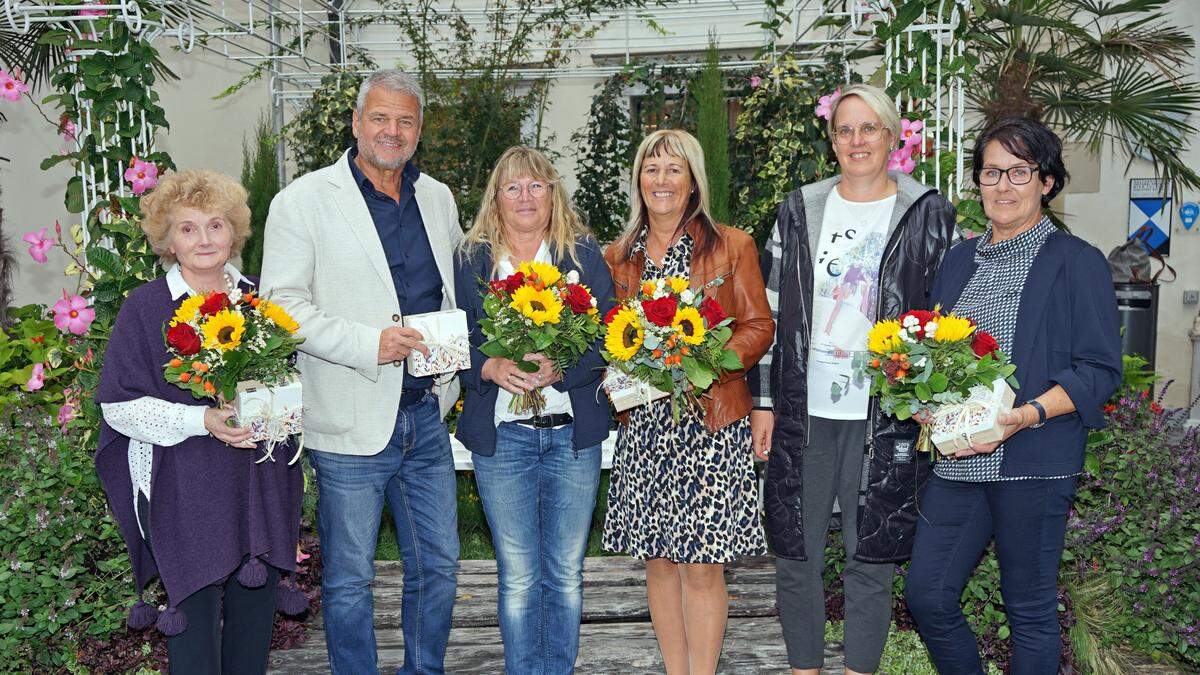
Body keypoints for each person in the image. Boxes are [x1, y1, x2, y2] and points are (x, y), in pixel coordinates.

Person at [747, 83, 958, 675]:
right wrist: (763, 402)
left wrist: (930, 395)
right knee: (795, 549)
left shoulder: (927, 211)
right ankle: (804, 669)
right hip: (804, 410)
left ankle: (858, 669)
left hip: (886, 413)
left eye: (870, 129)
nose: (857, 140)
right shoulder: (801, 207)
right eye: (845, 129)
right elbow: (770, 313)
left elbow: (950, 317)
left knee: (873, 553)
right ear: (832, 139)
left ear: (892, 138)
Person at [260, 69, 463, 674]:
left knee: (440, 565)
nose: (391, 131)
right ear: (355, 123)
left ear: (419, 130)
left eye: (405, 120)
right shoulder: (303, 200)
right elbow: (280, 306)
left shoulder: (438, 198)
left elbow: (451, 293)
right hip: (350, 420)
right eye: (380, 117)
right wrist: (367, 344)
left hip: (425, 415)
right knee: (350, 579)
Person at [904, 117, 1121, 674]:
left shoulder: (1077, 262)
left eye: (1018, 172)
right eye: (990, 172)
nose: (1002, 185)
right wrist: (926, 400)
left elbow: (1099, 372)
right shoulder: (959, 261)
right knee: (927, 597)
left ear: (1046, 182)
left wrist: (1025, 415)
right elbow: (939, 358)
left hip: (1033, 460)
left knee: (1029, 612)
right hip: (961, 466)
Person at [94, 169, 305, 675]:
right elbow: (118, 406)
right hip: (183, 486)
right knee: (193, 642)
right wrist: (201, 419)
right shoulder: (145, 309)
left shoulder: (260, 301)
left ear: (235, 231)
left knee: (252, 636)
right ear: (167, 239)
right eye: (188, 228)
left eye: (215, 224)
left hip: (258, 481)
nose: (205, 239)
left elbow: (293, 381)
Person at [602, 129, 774, 675]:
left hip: (711, 419)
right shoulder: (617, 257)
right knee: (657, 560)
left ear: (694, 179)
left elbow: (758, 327)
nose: (661, 180)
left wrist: (704, 364)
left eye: (673, 169)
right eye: (651, 169)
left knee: (703, 566)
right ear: (638, 180)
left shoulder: (732, 246)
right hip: (646, 426)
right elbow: (607, 336)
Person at [454, 146, 615, 674]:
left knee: (567, 571)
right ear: (495, 199)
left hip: (572, 437)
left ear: (553, 195)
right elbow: (455, 341)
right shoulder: (472, 260)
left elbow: (611, 337)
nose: (525, 197)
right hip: (506, 439)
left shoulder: (583, 255)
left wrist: (562, 366)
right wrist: (488, 366)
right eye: (512, 187)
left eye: (536, 186)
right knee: (519, 574)